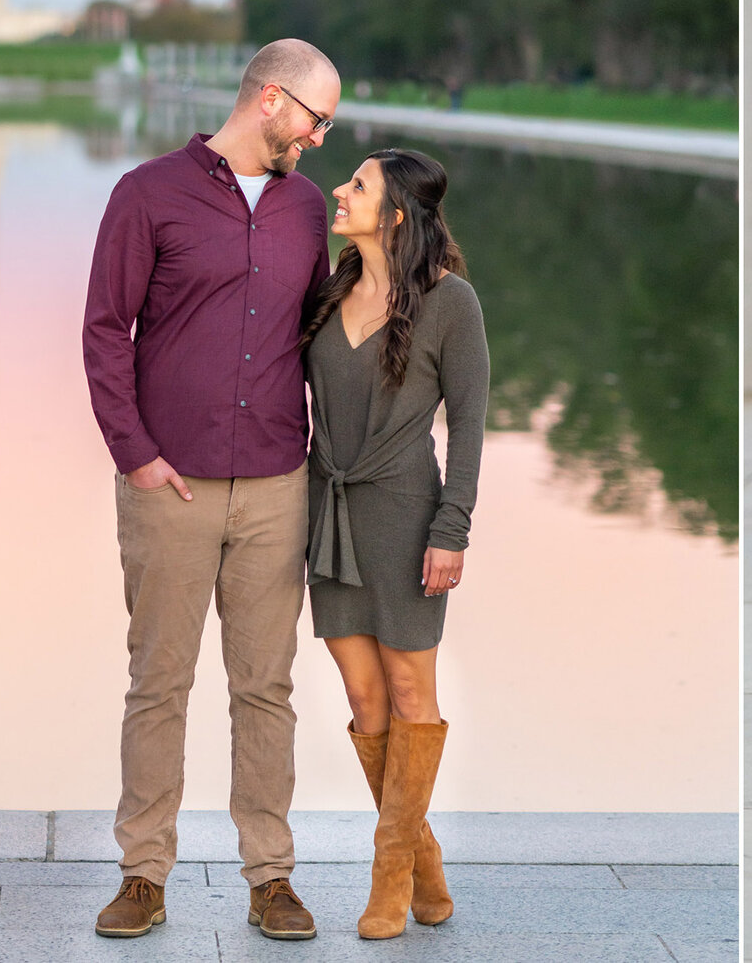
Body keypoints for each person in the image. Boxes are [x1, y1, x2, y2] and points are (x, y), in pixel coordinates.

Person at [81, 39, 343, 942]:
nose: (318, 140)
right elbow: (105, 330)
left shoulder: (310, 211)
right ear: (273, 100)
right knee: (158, 684)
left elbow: (331, 334)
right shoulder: (147, 195)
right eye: (316, 120)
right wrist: (135, 455)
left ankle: (271, 876)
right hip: (170, 485)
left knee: (265, 689)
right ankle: (143, 873)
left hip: (277, 484)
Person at [303, 147, 489, 940]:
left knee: (412, 696)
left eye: (358, 185)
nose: (339, 192)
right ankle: (424, 860)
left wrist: (454, 530)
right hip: (330, 513)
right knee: (363, 699)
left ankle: (390, 878)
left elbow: (471, 426)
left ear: (398, 213)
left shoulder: (453, 303)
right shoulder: (327, 289)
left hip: (408, 516)